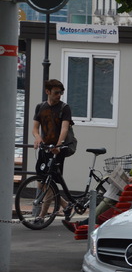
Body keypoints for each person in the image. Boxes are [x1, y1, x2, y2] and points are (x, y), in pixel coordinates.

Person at [32, 79, 73, 218]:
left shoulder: (64, 108)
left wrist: (59, 145)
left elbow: (65, 128)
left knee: (50, 182)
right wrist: (37, 137)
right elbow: (35, 128)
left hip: (57, 150)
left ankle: (41, 216)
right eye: (56, 93)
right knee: (41, 182)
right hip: (45, 149)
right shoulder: (40, 107)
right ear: (47, 92)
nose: (59, 95)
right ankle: (65, 205)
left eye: (60, 93)